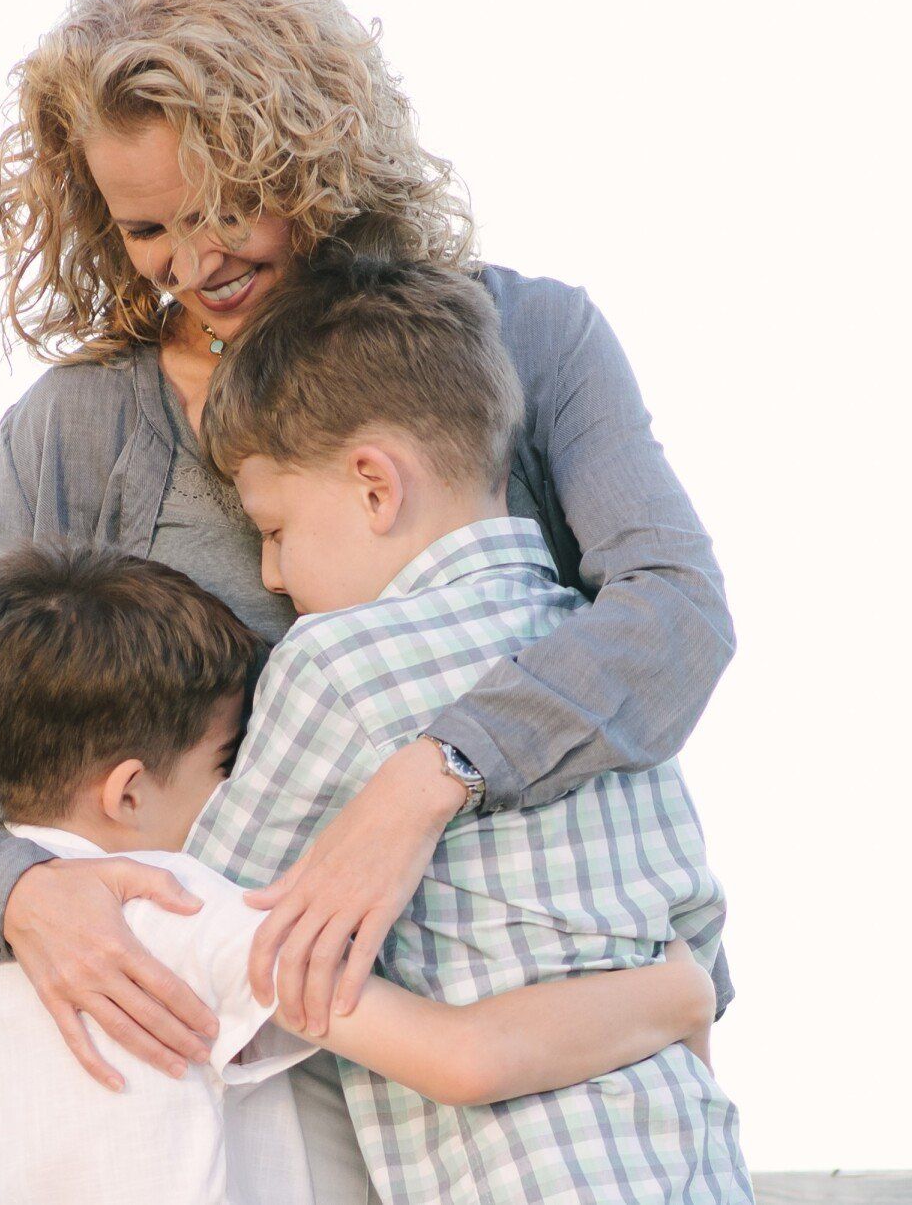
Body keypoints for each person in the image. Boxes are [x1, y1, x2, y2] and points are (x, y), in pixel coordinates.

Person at [0, 0, 734, 1202]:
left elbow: (673, 620)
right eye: (148, 228)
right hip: (128, 1083)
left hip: (475, 1120)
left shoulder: (523, 343)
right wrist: (24, 897)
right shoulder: (80, 430)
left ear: (318, 156)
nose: (193, 261)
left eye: (229, 203)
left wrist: (427, 777)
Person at [183, 239, 749, 1200]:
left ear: (375, 484)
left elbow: (209, 916)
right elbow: (697, 949)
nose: (272, 575)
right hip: (689, 1162)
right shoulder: (600, 676)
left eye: (273, 531)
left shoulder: (335, 664)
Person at [0, 541, 717, 1205]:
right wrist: (678, 995)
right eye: (225, 761)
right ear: (129, 791)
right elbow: (464, 1058)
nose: (238, 787)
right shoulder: (169, 911)